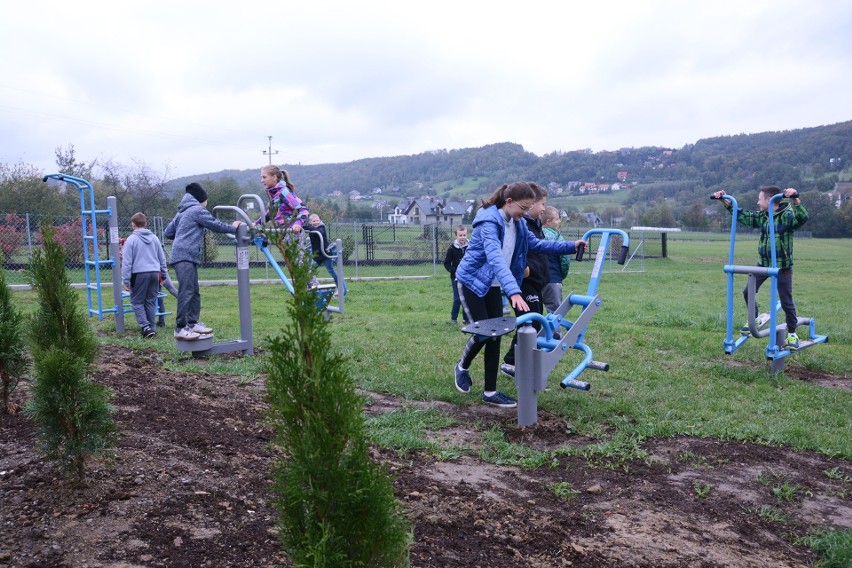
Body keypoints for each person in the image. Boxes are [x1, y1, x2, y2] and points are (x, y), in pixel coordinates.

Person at [453, 182, 586, 408]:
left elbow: (536, 244)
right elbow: (495, 258)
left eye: (528, 209)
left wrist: (571, 246)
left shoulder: (519, 224)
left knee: (496, 335)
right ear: (509, 202)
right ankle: (462, 366)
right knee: (485, 332)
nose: (524, 214)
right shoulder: (489, 222)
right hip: (472, 282)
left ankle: (490, 392)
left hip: (494, 284)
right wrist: (514, 291)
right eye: (522, 208)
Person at [713, 187, 809, 349]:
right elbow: (742, 215)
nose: (758, 202)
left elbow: (802, 218)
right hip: (763, 264)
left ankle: (792, 334)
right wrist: (725, 201)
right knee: (747, 291)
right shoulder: (763, 217)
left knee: (786, 301)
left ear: (771, 201)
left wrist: (795, 199)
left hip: (782, 266)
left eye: (760, 199)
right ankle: (755, 318)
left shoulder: (786, 216)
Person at [164, 182, 242, 341]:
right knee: (186, 291)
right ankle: (180, 328)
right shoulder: (197, 210)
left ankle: (192, 323)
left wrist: (182, 235)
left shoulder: (182, 212)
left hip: (184, 255)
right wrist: (234, 227)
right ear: (202, 199)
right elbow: (216, 225)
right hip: (184, 256)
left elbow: (168, 232)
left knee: (193, 290)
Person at [499, 183, 549, 377]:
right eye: (542, 204)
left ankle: (521, 362)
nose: (544, 208)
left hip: (536, 283)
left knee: (534, 322)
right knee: (530, 323)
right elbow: (516, 252)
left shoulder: (535, 226)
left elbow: (540, 249)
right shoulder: (521, 224)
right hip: (524, 283)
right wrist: (523, 270)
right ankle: (511, 363)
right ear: (532, 203)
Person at [121, 212, 168, 339]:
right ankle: (152, 327)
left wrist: (125, 280)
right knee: (151, 301)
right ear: (145, 223)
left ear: (133, 224)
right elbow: (162, 258)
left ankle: (145, 327)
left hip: (139, 274)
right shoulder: (155, 238)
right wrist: (163, 275)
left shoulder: (131, 240)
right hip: (154, 273)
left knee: (137, 301)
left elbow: (127, 262)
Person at [256, 165, 309, 232]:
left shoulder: (284, 193)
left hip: (291, 233)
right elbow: (270, 213)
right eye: (261, 178)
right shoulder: (274, 194)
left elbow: (303, 209)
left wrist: (298, 223)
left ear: (274, 177)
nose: (262, 180)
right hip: (280, 231)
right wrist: (255, 223)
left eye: (264, 177)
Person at [540, 206, 571, 315]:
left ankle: (537, 331)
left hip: (537, 280)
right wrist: (562, 275)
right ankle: (555, 332)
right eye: (557, 219)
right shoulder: (557, 237)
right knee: (555, 312)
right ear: (548, 222)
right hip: (553, 279)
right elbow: (565, 260)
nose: (559, 222)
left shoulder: (535, 234)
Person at [307, 213, 348, 295]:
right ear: (310, 222)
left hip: (325, 254)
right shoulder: (311, 228)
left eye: (317, 220)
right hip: (317, 256)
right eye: (313, 221)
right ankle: (312, 288)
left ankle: (342, 289)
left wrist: (309, 227)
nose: (316, 222)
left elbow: (320, 232)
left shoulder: (321, 226)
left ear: (320, 220)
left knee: (331, 271)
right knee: (309, 272)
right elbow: (304, 226)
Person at [442, 225, 468, 324]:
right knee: (457, 299)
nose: (462, 237)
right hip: (456, 278)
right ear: (456, 235)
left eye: (464, 235)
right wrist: (453, 271)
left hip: (468, 278)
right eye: (460, 235)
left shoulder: (470, 247)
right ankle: (454, 319)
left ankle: (466, 319)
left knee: (467, 299)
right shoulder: (452, 249)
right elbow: (446, 263)